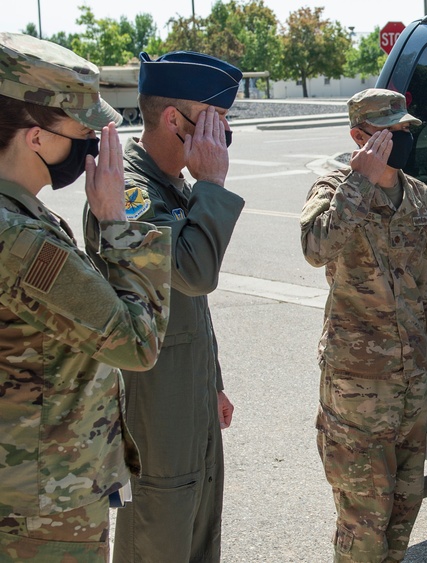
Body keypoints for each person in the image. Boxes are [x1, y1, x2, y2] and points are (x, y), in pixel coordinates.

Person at [0, 32, 171, 560]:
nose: (93, 143)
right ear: (37, 137)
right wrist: (118, 227)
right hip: (44, 507)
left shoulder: (20, 220)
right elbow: (135, 345)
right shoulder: (21, 241)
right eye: (84, 130)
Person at [83, 50, 244, 562]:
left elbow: (188, 308)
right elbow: (195, 273)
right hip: (154, 409)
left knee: (198, 533)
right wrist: (213, 185)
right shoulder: (129, 192)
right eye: (214, 124)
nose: (221, 138)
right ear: (174, 120)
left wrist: (212, 381)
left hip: (187, 396)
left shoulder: (171, 184)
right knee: (159, 539)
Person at [300, 88, 427, 563]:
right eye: (390, 131)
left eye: (405, 130)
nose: (402, 138)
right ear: (359, 136)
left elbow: (421, 287)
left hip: (409, 388)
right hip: (358, 390)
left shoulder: (419, 198)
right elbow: (316, 248)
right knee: (363, 525)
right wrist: (358, 181)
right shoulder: (335, 187)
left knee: (402, 516)